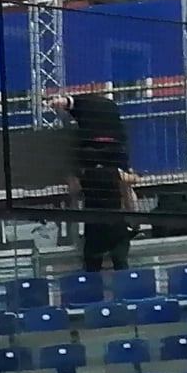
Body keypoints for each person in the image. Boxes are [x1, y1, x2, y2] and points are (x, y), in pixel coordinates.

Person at [67, 88, 140, 271]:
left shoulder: (85, 173)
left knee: (94, 264)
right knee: (117, 262)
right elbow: (130, 184)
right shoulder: (115, 171)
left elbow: (74, 192)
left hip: (96, 222)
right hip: (111, 222)